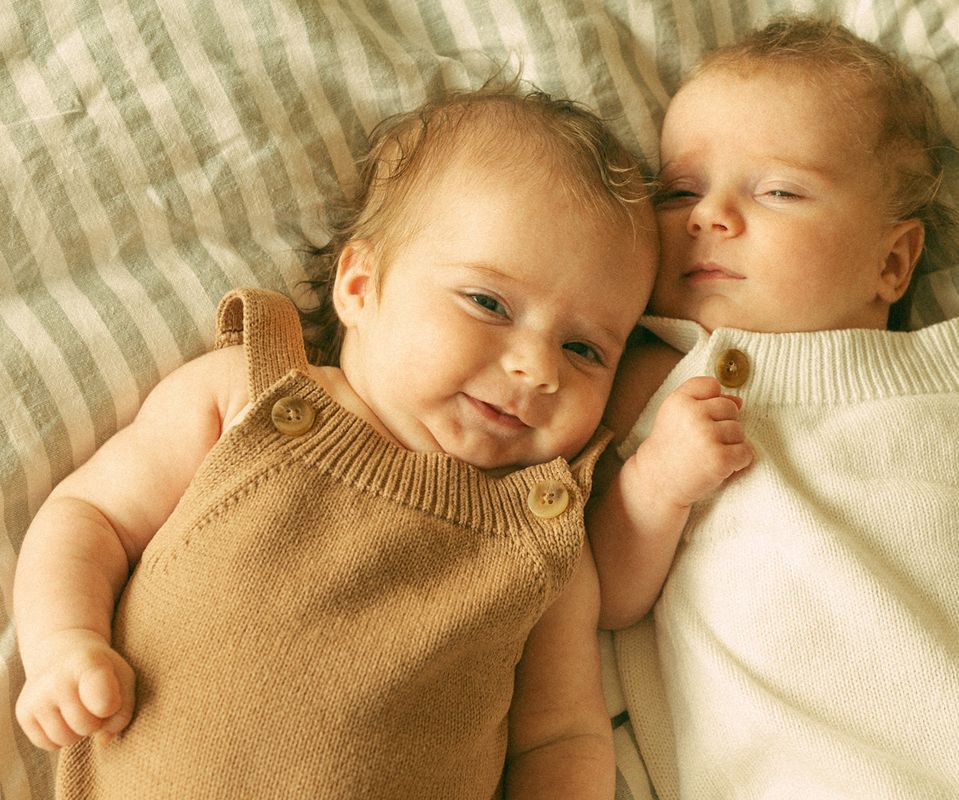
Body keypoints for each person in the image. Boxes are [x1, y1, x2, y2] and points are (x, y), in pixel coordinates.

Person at [587, 16, 959, 799]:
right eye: (680, 191)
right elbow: (605, 591)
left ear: (893, 261)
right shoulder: (663, 374)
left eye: (776, 190)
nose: (710, 216)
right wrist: (658, 485)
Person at [14, 83, 659, 799]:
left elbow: (562, 734)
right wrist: (63, 644)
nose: (536, 368)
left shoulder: (544, 537)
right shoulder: (251, 396)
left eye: (584, 350)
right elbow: (88, 516)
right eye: (488, 303)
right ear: (360, 284)